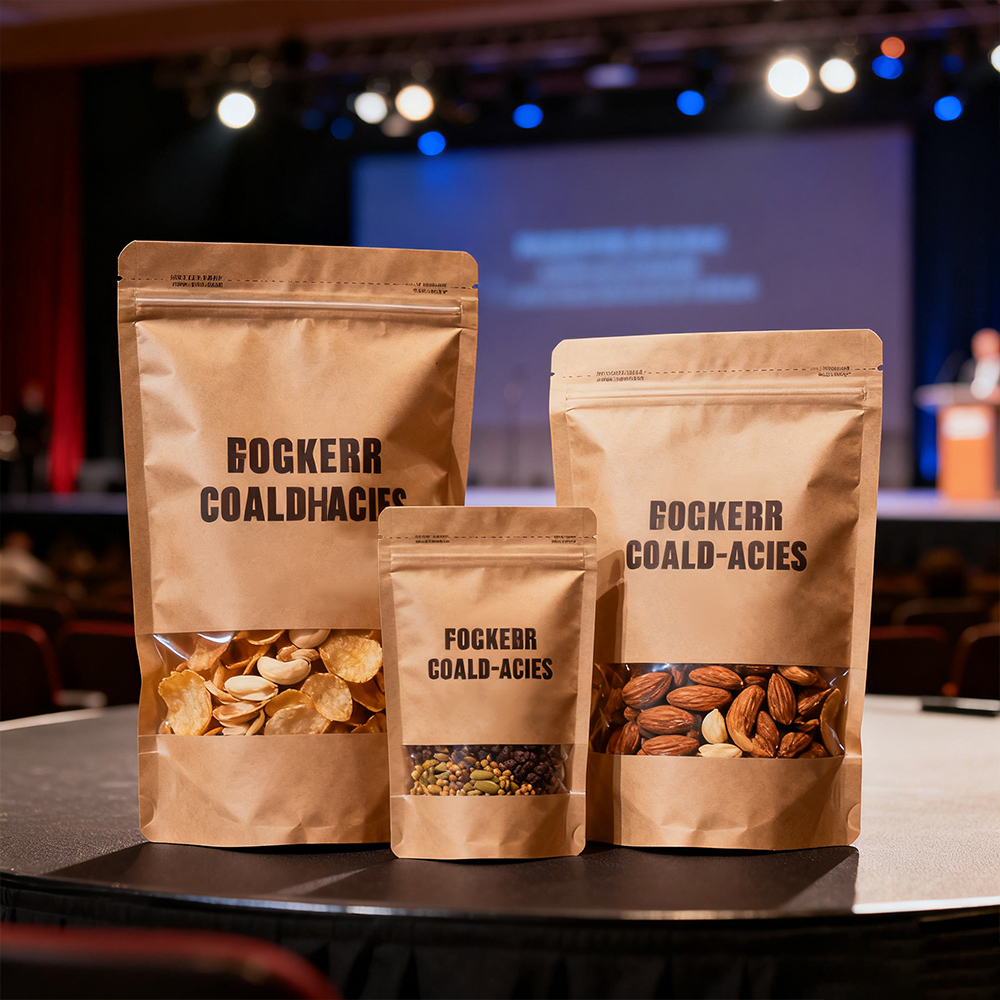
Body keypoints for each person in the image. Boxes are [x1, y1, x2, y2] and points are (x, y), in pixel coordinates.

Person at [959, 327, 1000, 403]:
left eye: (988, 344)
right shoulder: (970, 367)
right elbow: (962, 389)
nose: (985, 348)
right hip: (974, 405)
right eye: (982, 344)